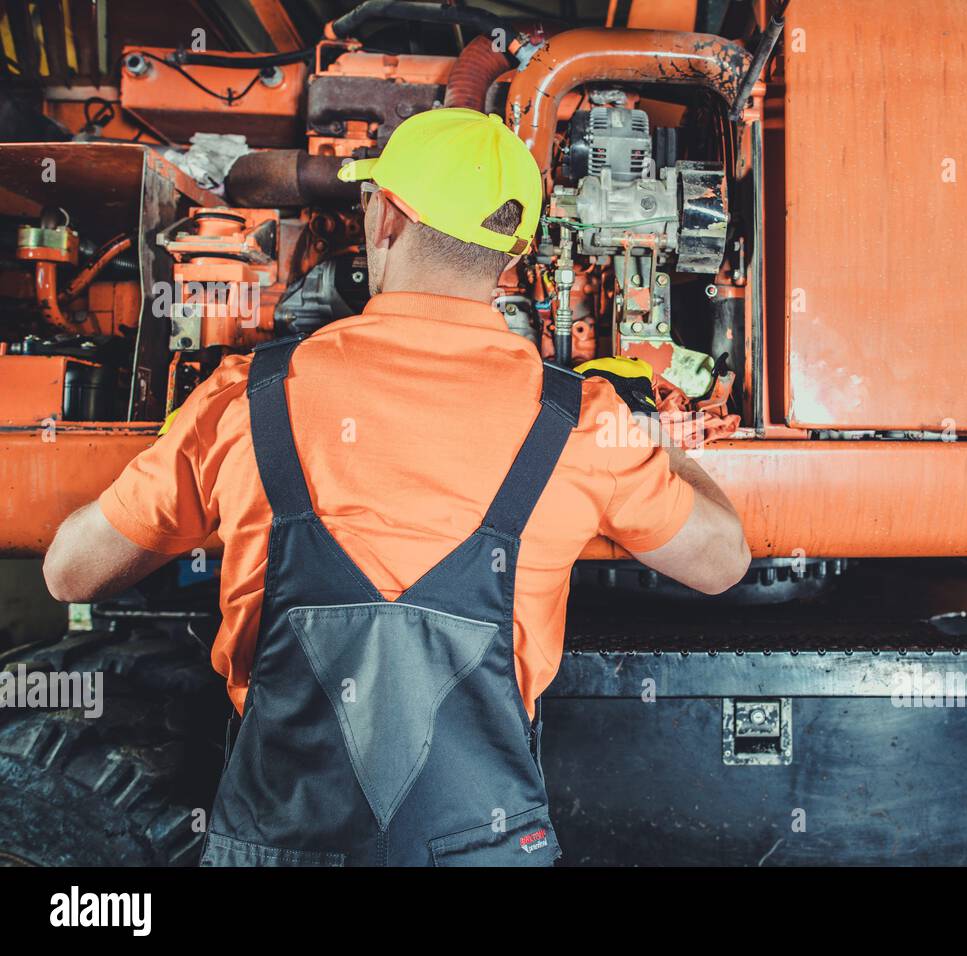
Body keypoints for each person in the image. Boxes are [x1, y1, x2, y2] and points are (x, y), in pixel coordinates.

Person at [42, 108, 750, 866]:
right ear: (512, 259)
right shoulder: (577, 420)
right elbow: (722, 562)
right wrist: (645, 429)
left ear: (386, 217)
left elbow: (68, 572)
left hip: (281, 847)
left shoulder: (246, 399)